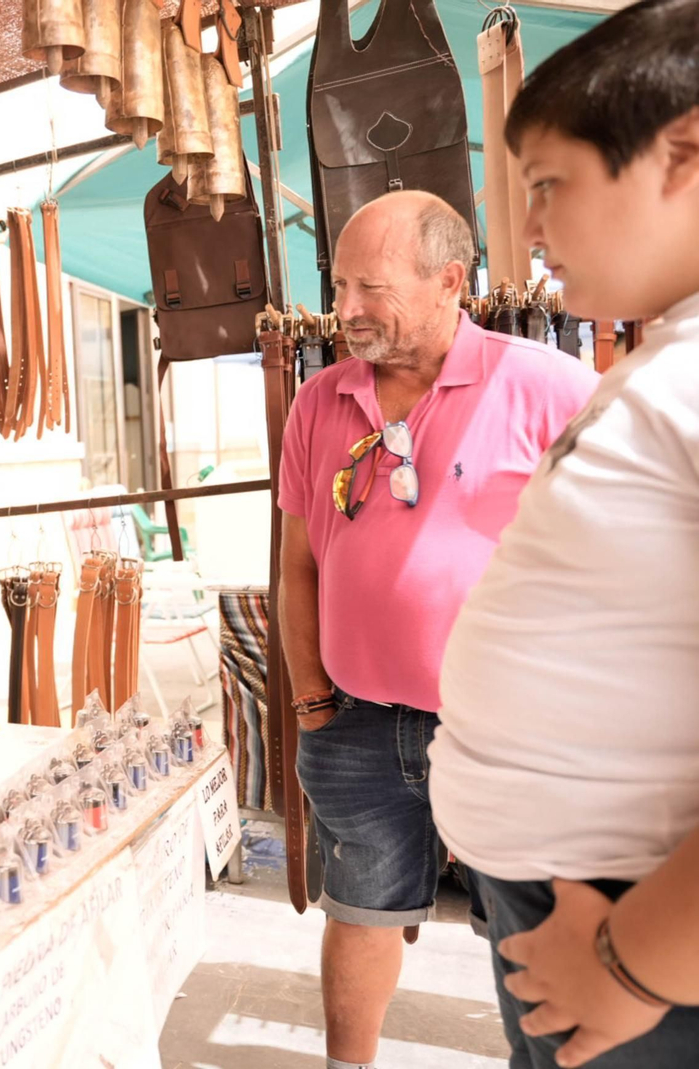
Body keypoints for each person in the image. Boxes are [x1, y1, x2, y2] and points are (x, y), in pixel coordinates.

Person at [429, 2, 699, 1065]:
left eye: (547, 186)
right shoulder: (658, 356)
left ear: (683, 152)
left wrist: (638, 964)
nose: (528, 231)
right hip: (588, 918)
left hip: (645, 948)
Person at [277, 190, 598, 1069]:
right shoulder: (319, 401)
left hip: (505, 734)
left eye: (369, 288)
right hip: (354, 723)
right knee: (361, 908)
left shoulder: (546, 385)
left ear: (451, 280)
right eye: (338, 285)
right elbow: (297, 564)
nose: (344, 310)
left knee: (530, 925)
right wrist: (310, 698)